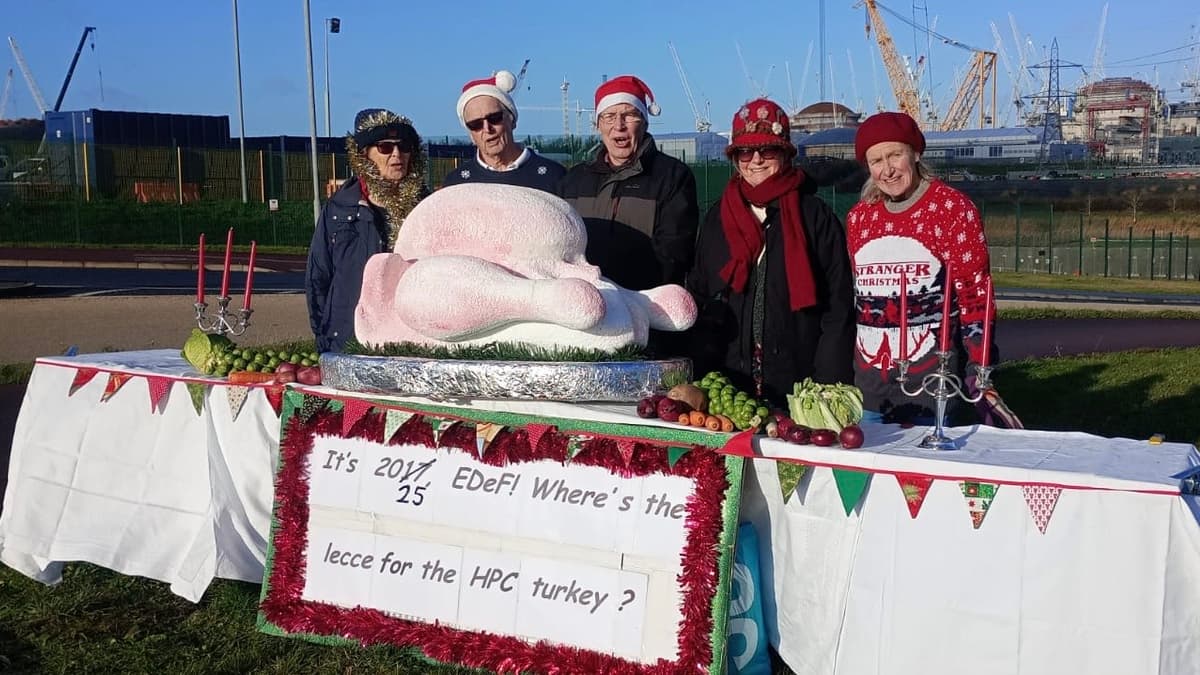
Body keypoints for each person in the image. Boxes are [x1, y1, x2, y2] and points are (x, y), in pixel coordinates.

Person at [686, 98, 855, 404]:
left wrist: (828, 384)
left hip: (799, 383)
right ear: (735, 157)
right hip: (728, 385)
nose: (756, 160)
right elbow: (700, 292)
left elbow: (838, 306)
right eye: (745, 151)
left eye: (768, 150)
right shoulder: (718, 217)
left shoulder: (814, 215)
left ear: (785, 154)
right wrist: (703, 373)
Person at [847, 111, 997, 424]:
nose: (887, 170)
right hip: (870, 383)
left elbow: (974, 295)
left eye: (895, 155)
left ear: (915, 154)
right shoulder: (860, 218)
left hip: (930, 380)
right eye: (876, 161)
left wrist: (978, 368)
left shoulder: (951, 209)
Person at [558, 75, 699, 294]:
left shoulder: (672, 177)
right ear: (598, 125)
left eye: (629, 115)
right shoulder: (573, 181)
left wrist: (621, 297)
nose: (619, 126)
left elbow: (673, 255)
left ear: (644, 121)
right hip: (584, 309)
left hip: (643, 311)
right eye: (609, 116)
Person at [306, 108, 429, 353]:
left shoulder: (426, 207)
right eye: (385, 147)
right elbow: (318, 278)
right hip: (347, 340)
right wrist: (325, 336)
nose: (397, 154)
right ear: (364, 155)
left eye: (404, 147)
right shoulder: (338, 209)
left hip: (409, 343)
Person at [442, 70, 565, 194]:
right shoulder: (455, 185)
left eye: (494, 118)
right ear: (471, 134)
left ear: (512, 120)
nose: (487, 129)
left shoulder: (555, 177)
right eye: (476, 124)